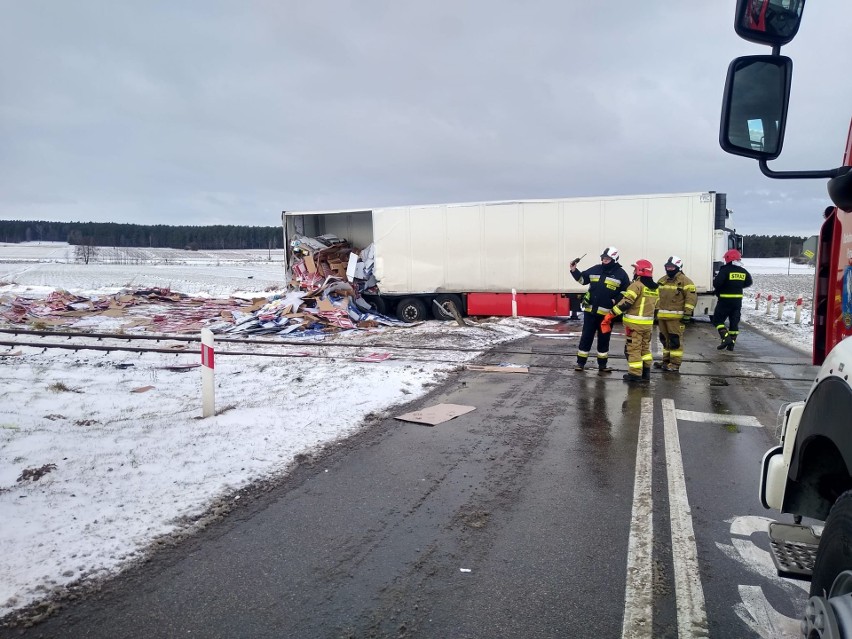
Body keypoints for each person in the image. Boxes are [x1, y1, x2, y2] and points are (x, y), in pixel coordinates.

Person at [570, 247, 631, 374]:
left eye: (607, 258)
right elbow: (582, 280)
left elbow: (625, 292)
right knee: (586, 337)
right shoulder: (596, 269)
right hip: (590, 312)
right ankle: (580, 364)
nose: (604, 260)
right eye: (603, 258)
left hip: (607, 315)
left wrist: (615, 301)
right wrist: (574, 270)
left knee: (604, 339)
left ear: (614, 259)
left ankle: (602, 365)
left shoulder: (621, 274)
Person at [602, 259, 659, 383]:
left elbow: (626, 302)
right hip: (647, 326)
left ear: (640, 271)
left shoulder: (636, 285)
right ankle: (646, 373)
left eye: (635, 269)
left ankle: (635, 374)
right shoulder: (654, 288)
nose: (633, 271)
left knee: (633, 349)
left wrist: (611, 313)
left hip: (635, 325)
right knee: (645, 349)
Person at [654, 256, 697, 373]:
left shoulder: (685, 281)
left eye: (672, 267)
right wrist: (655, 311)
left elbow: (691, 298)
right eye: (667, 267)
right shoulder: (662, 280)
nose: (669, 269)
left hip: (676, 318)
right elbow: (655, 296)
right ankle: (666, 361)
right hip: (662, 317)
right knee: (664, 340)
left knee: (675, 341)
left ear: (678, 267)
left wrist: (687, 314)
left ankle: (675, 364)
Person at [711, 248, 753, 351]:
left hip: (724, 301)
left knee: (717, 320)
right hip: (737, 302)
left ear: (728, 259)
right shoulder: (743, 271)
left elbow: (717, 283)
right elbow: (749, 282)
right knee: (734, 322)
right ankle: (731, 345)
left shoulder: (725, 270)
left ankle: (726, 338)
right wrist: (737, 286)